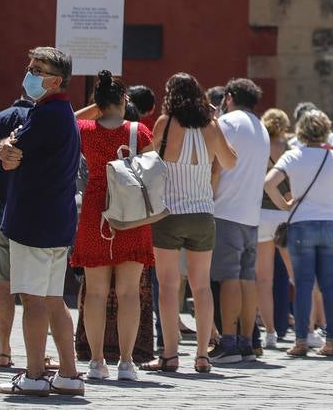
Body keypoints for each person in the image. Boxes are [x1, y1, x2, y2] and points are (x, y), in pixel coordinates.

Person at [0, 47, 85, 397]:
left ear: (55, 79)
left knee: (32, 301)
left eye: (38, 69)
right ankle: (69, 374)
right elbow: (11, 151)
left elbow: (11, 154)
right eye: (29, 65)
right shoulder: (61, 113)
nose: (30, 72)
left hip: (33, 221)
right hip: (56, 221)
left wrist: (6, 149)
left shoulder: (46, 114)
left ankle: (33, 376)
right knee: (52, 300)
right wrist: (7, 150)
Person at [142, 73, 237, 374]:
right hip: (202, 214)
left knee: (169, 287)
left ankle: (170, 355)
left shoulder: (165, 124)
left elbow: (147, 158)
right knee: (202, 287)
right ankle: (203, 355)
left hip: (168, 213)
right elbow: (231, 161)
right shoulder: (211, 126)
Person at [71, 70, 154, 382]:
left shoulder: (86, 130)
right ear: (124, 99)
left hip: (96, 211)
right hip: (132, 213)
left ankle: (95, 361)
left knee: (95, 292)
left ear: (98, 102)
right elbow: (153, 172)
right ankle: (127, 362)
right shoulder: (139, 131)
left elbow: (66, 120)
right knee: (129, 292)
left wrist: (96, 107)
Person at [265, 108, 333, 358]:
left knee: (303, 285)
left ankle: (301, 341)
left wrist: (284, 204)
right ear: (326, 130)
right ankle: (331, 341)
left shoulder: (292, 156)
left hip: (301, 222)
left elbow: (269, 183)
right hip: (331, 222)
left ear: (301, 131)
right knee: (330, 284)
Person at [210, 78, 270, 364]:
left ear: (229, 96)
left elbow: (216, 163)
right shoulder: (261, 127)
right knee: (247, 277)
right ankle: (247, 342)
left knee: (228, 277)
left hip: (225, 208)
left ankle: (228, 342)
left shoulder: (228, 122)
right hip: (250, 213)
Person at [0, 87, 34, 369]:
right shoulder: (43, 120)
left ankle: (3, 350)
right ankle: (34, 354)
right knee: (34, 289)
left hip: (4, 214)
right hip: (36, 217)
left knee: (4, 282)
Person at [255, 107, 293, 349]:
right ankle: (306, 329)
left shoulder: (259, 147)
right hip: (283, 213)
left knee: (263, 279)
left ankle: (269, 332)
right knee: (296, 275)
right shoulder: (289, 150)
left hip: (260, 213)